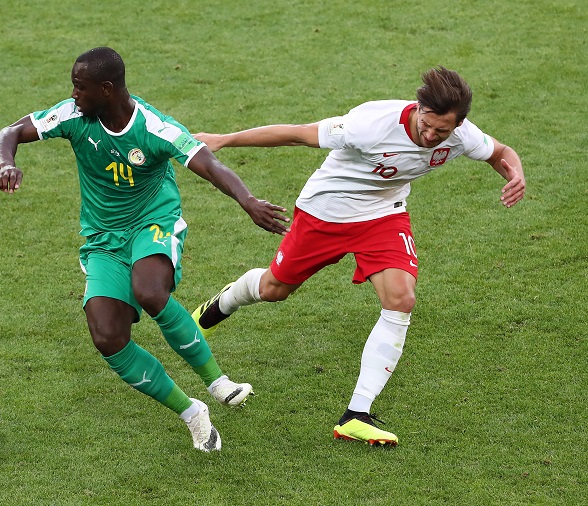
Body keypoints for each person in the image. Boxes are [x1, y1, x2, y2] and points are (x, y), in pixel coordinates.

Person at [192, 66, 526, 446]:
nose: (431, 136)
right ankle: (223, 303)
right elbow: (298, 134)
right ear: (418, 108)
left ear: (458, 125)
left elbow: (500, 152)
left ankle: (356, 414)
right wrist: (224, 139)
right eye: (426, 125)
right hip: (327, 211)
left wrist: (514, 174)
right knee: (274, 289)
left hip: (384, 214)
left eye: (442, 132)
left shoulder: (463, 136)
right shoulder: (370, 123)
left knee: (401, 298)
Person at [0, 47, 290, 452]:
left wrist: (248, 200)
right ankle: (192, 413)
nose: (73, 95)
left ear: (106, 88)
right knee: (107, 336)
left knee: (149, 291)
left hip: (153, 222)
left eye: (80, 88)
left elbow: (208, 164)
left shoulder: (153, 127)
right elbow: (7, 133)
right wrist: (6, 162)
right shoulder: (73, 116)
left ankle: (217, 381)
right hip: (102, 239)